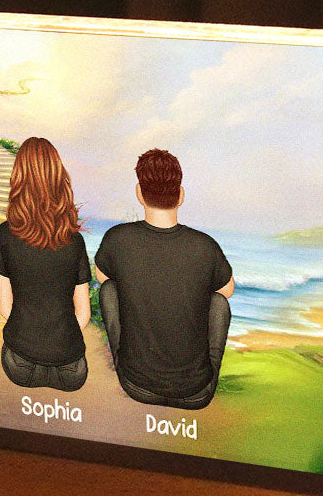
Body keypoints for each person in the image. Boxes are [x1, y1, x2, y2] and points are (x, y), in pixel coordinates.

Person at [94, 148, 234, 409]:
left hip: (136, 386)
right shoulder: (204, 245)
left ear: (139, 193)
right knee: (218, 302)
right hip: (196, 394)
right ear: (181, 195)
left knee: (109, 289)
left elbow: (102, 276)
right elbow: (227, 290)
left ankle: (131, 365)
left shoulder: (117, 238)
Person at [0, 137, 91, 392]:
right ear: (58, 177)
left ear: (18, 178)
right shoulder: (75, 241)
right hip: (71, 370)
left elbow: (6, 308)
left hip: (20, 364)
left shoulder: (6, 234)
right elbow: (83, 314)